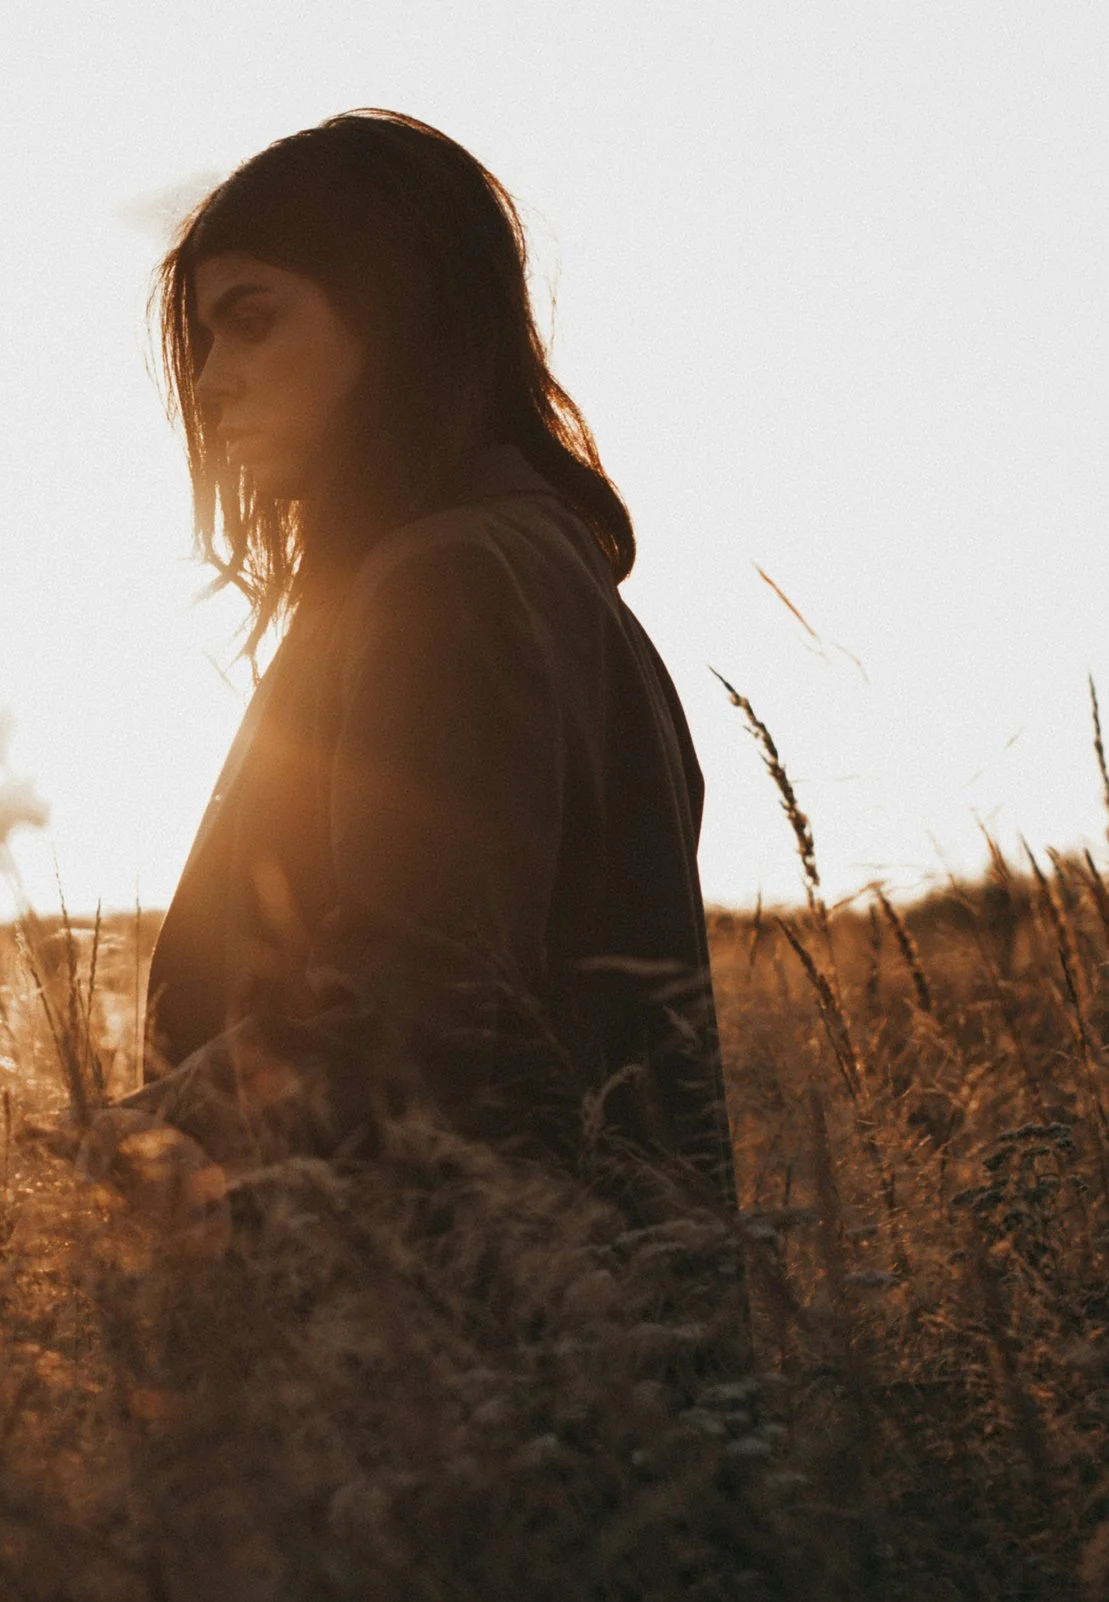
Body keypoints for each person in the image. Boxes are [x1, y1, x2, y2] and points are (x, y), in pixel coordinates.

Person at [92, 111, 734, 1233]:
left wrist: (107, 1140)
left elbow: (407, 1010)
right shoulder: (518, 565)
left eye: (252, 321)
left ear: (397, 317)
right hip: (575, 1348)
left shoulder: (451, 581)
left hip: (486, 1352)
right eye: (199, 338)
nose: (210, 379)